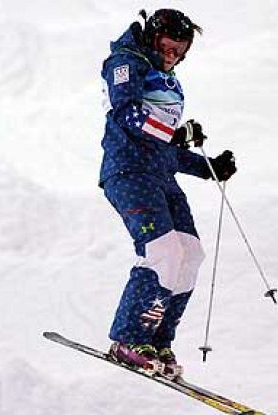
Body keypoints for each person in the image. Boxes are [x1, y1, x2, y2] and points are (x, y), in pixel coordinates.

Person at [98, 9, 237, 378]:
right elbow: (127, 115)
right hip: (128, 172)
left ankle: (157, 340)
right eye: (166, 47)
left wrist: (209, 167)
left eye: (180, 50)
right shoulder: (126, 62)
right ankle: (128, 340)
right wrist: (176, 133)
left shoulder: (168, 81)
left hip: (159, 176)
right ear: (152, 37)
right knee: (163, 251)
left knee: (190, 254)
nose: (172, 56)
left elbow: (164, 148)